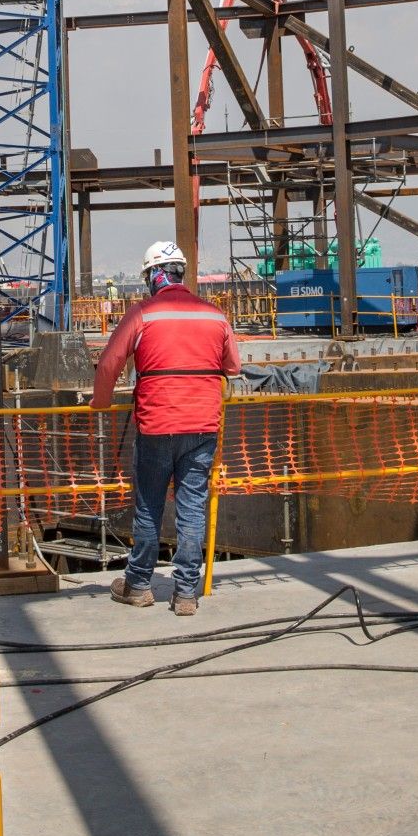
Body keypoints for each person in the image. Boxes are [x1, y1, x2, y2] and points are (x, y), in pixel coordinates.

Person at [90, 239, 240, 616]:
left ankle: (139, 584)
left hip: (157, 424)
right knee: (192, 509)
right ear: (181, 273)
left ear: (154, 276)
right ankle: (186, 593)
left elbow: (109, 365)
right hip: (203, 425)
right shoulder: (215, 316)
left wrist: (101, 402)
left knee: (149, 506)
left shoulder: (143, 313)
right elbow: (233, 367)